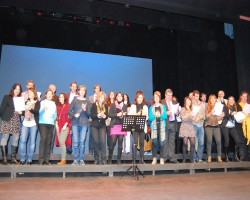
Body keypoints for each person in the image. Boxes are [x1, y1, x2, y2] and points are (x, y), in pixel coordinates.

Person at [0, 83, 23, 165]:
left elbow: (22, 111)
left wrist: (21, 112)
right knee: (4, 138)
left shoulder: (20, 99)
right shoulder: (7, 97)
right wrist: (4, 119)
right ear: (13, 89)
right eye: (16, 89)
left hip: (16, 120)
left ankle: (13, 158)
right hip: (7, 120)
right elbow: (1, 109)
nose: (17, 91)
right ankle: (4, 158)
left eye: (19, 89)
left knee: (16, 138)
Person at [68, 85, 90, 165]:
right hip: (75, 124)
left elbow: (89, 115)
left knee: (82, 142)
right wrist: (74, 114)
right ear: (78, 91)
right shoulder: (74, 100)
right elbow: (69, 111)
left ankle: (81, 159)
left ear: (85, 92)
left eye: (83, 90)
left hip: (84, 124)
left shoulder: (87, 102)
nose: (82, 91)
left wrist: (84, 110)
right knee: (76, 142)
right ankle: (76, 159)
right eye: (81, 90)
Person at [19, 88, 40, 165]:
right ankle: (22, 158)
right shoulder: (25, 102)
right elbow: (23, 112)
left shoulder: (37, 102)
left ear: (34, 94)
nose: (29, 94)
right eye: (28, 93)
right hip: (25, 123)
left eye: (31, 92)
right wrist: (20, 112)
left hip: (33, 124)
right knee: (22, 141)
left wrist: (30, 109)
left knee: (32, 142)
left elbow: (37, 112)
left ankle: (30, 159)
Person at [220, 96, 242, 162]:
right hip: (225, 125)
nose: (231, 101)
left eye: (233, 100)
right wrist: (231, 114)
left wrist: (239, 118)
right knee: (227, 140)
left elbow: (238, 116)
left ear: (234, 101)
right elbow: (225, 116)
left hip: (232, 126)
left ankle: (235, 156)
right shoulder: (225, 107)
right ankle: (226, 156)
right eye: (230, 100)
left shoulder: (235, 108)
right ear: (228, 101)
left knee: (238, 141)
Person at [129, 91, 148, 164]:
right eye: (138, 97)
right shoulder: (133, 106)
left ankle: (142, 159)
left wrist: (144, 115)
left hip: (142, 126)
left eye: (141, 98)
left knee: (142, 143)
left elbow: (147, 118)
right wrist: (137, 114)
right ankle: (134, 159)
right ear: (136, 98)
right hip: (135, 127)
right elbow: (130, 116)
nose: (140, 99)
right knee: (135, 143)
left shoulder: (145, 106)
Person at [38, 89, 57, 165]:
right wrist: (43, 109)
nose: (49, 95)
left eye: (51, 94)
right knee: (43, 140)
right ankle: (41, 160)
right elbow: (39, 112)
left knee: (49, 142)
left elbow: (55, 114)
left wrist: (54, 119)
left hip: (51, 124)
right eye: (48, 94)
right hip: (43, 123)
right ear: (45, 95)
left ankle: (46, 160)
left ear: (52, 95)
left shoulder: (53, 103)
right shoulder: (42, 102)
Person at [108, 92, 127, 164]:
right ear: (116, 97)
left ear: (122, 98)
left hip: (122, 126)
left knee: (120, 143)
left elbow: (125, 116)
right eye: (118, 96)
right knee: (112, 142)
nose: (119, 97)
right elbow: (110, 115)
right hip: (114, 125)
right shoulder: (113, 105)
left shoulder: (124, 106)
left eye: (121, 96)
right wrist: (117, 114)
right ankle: (110, 158)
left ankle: (119, 159)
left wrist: (123, 116)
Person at [149, 91, 167, 165]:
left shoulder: (163, 106)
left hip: (162, 127)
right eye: (155, 97)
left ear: (159, 98)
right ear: (154, 98)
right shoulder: (151, 107)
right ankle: (154, 158)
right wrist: (155, 116)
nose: (156, 98)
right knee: (154, 143)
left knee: (162, 143)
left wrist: (160, 115)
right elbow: (150, 118)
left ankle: (162, 159)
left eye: (157, 97)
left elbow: (165, 116)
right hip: (154, 128)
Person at [90, 91, 108, 165]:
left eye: (103, 97)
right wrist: (98, 115)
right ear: (98, 98)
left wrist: (104, 116)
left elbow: (107, 115)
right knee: (96, 141)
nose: (102, 99)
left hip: (102, 125)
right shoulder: (94, 105)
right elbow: (92, 115)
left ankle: (104, 159)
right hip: (94, 125)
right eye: (100, 97)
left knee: (103, 141)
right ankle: (96, 158)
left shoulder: (105, 106)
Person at [205, 94, 224, 162]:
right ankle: (209, 156)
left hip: (216, 126)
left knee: (218, 141)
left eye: (214, 98)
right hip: (208, 126)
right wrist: (211, 112)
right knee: (209, 141)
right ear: (209, 99)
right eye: (211, 98)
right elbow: (206, 116)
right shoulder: (207, 106)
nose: (213, 99)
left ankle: (219, 156)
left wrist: (221, 116)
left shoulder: (217, 106)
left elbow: (217, 118)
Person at [161, 88, 178, 163]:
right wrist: (166, 113)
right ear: (165, 95)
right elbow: (159, 114)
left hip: (173, 123)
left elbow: (178, 112)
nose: (170, 97)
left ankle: (172, 157)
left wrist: (177, 112)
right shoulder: (162, 102)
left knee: (172, 141)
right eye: (168, 96)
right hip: (165, 123)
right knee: (165, 141)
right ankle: (164, 157)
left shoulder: (174, 102)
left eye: (171, 96)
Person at [55, 93, 71, 165]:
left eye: (62, 97)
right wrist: (56, 124)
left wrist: (66, 125)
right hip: (59, 126)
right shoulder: (58, 106)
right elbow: (56, 116)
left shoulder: (68, 106)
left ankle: (63, 159)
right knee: (61, 143)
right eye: (60, 97)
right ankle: (62, 159)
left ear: (65, 98)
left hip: (65, 126)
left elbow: (70, 117)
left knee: (62, 141)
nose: (60, 98)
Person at [179, 97, 196, 163]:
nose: (189, 102)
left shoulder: (192, 109)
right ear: (185, 101)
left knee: (193, 143)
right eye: (188, 100)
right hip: (184, 126)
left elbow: (193, 119)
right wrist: (189, 114)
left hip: (190, 126)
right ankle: (184, 158)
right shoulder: (182, 109)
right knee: (185, 143)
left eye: (190, 100)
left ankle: (191, 158)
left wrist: (194, 116)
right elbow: (183, 118)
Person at [87, 84, 101, 155]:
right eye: (96, 88)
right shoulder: (90, 98)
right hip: (92, 119)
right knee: (91, 136)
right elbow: (88, 109)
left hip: (99, 120)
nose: (97, 90)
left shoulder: (101, 98)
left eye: (98, 89)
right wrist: (91, 116)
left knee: (98, 136)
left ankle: (97, 151)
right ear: (94, 89)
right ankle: (90, 150)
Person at [192, 90, 205, 163]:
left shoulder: (202, 104)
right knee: (194, 143)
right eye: (195, 96)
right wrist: (194, 117)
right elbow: (189, 114)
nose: (197, 97)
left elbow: (203, 115)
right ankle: (193, 158)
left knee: (201, 143)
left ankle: (199, 158)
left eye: (198, 96)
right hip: (193, 125)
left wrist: (199, 117)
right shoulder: (191, 104)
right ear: (193, 96)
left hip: (200, 125)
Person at [238, 91, 250, 160]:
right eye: (243, 96)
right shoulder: (238, 105)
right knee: (242, 141)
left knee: (249, 140)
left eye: (246, 96)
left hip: (248, 125)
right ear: (241, 97)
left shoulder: (249, 105)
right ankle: (242, 157)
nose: (245, 98)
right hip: (240, 125)